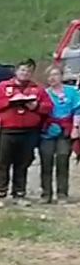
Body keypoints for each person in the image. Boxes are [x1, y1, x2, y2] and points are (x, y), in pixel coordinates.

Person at [0, 59, 52, 206]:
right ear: (16, 71)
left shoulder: (37, 89)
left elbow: (48, 107)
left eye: (28, 71)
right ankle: (0, 194)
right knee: (3, 163)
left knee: (23, 163)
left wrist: (36, 106)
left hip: (29, 131)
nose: (25, 73)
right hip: (7, 130)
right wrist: (9, 101)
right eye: (22, 70)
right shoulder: (3, 87)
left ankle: (19, 194)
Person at [39, 65, 78, 204]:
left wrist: (75, 128)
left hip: (65, 130)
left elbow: (77, 110)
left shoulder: (72, 92)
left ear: (61, 76)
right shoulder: (43, 93)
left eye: (55, 74)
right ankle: (46, 193)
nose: (53, 78)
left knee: (62, 159)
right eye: (50, 75)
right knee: (46, 161)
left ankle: (62, 193)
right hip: (47, 132)